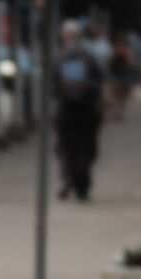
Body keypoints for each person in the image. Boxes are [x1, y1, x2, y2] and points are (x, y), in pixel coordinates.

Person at [54, 21, 103, 202]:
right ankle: (82, 184)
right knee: (86, 147)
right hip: (87, 111)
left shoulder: (59, 57)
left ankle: (68, 179)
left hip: (66, 111)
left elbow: (52, 86)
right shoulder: (89, 56)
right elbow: (100, 79)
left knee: (66, 148)